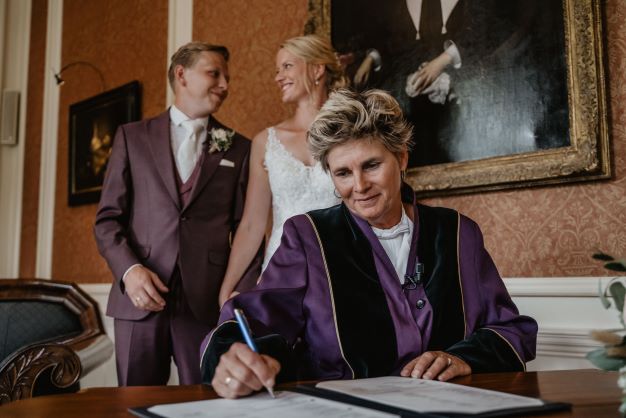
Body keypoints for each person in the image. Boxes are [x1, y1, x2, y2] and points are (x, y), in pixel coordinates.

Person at [200, 89, 538, 399]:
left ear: (401, 159)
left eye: (371, 165)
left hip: (451, 407)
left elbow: (509, 329)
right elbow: (251, 321)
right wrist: (234, 359)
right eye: (343, 173)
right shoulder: (308, 237)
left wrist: (464, 358)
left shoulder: (458, 233)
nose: (359, 186)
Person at [94, 42, 261, 386]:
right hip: (139, 300)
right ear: (181, 75)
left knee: (206, 402)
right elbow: (108, 220)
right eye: (214, 74)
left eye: (227, 78)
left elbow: (249, 228)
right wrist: (130, 271)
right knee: (135, 402)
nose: (225, 85)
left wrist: (239, 293)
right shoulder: (132, 137)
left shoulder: (239, 148)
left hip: (206, 302)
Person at [217, 35, 346, 307]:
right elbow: (252, 224)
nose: (278, 77)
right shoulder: (266, 142)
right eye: (277, 70)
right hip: (281, 271)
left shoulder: (349, 135)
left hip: (341, 266)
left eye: (287, 66)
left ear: (317, 69)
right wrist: (227, 288)